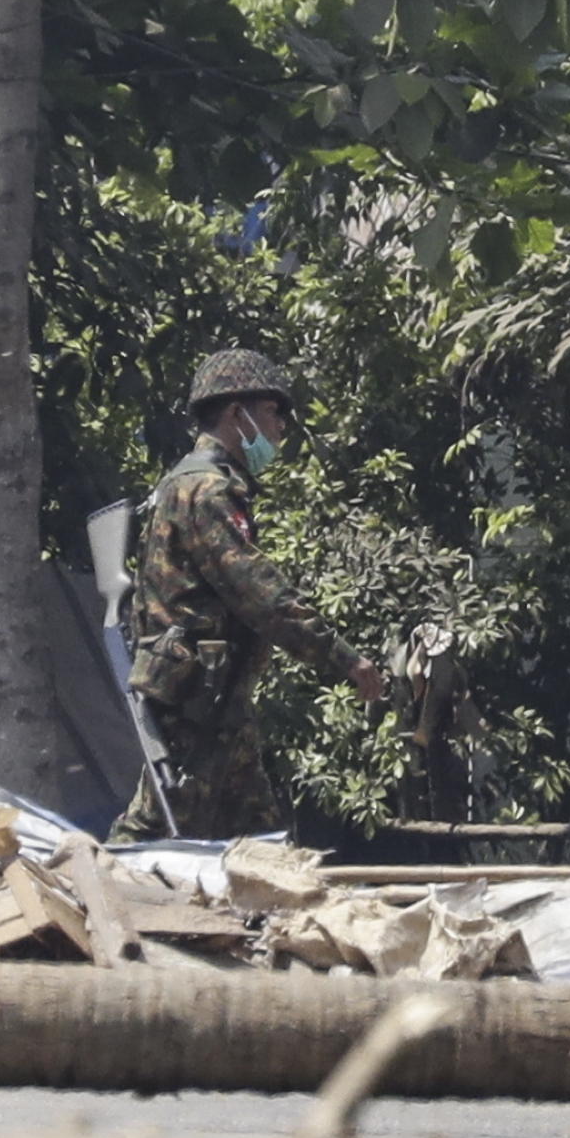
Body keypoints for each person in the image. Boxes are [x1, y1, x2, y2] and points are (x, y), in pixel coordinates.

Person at [111, 349, 386, 843]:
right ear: (238, 413)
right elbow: (260, 594)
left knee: (262, 841)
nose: (281, 426)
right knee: (156, 829)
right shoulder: (205, 491)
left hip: (215, 699)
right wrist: (345, 659)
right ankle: (80, 902)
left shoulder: (190, 484)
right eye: (274, 411)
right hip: (197, 702)